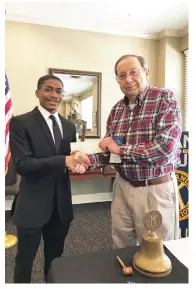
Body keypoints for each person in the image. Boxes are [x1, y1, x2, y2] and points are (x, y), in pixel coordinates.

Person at [83, 54, 182, 248]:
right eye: (121, 75)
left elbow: (165, 149)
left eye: (133, 72)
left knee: (157, 251)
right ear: (117, 80)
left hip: (154, 190)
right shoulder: (116, 110)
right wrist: (86, 159)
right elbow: (112, 153)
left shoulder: (164, 98)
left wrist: (120, 149)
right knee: (121, 245)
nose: (128, 79)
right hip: (122, 187)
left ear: (146, 72)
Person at [9, 75, 89, 283]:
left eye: (59, 91)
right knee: (24, 262)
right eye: (48, 89)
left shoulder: (69, 126)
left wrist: (77, 164)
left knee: (55, 262)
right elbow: (23, 165)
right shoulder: (20, 122)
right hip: (32, 206)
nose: (54, 95)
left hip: (61, 206)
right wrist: (64, 160)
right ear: (37, 93)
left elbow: (68, 162)